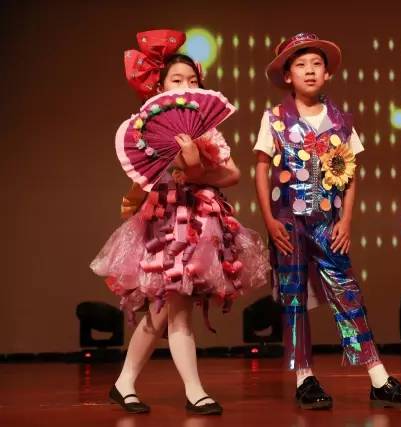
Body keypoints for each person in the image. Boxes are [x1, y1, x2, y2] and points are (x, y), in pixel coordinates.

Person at [91, 29, 269, 415]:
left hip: (200, 225)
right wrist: (142, 193)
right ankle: (194, 391)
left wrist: (196, 169)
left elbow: (232, 174)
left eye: (192, 81)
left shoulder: (205, 130)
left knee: (162, 312)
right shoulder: (153, 133)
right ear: (160, 88)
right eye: (177, 80)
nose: (186, 86)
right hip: (167, 226)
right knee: (176, 308)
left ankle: (123, 384)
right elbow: (140, 181)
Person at [253, 32, 401, 410]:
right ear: (287, 75)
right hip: (287, 222)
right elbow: (261, 169)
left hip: (326, 223)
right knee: (294, 297)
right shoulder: (274, 119)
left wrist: (345, 221)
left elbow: (351, 175)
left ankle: (378, 378)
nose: (310, 71)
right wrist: (269, 220)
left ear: (328, 73)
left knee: (347, 293)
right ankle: (304, 378)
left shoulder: (340, 122)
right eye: (301, 65)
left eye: (317, 64)